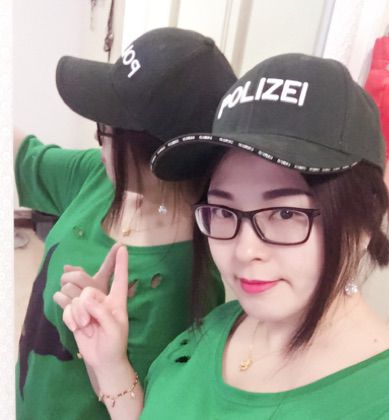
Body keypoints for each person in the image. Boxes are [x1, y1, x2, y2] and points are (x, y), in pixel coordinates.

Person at [62, 54, 389, 419]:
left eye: (285, 213)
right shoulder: (221, 324)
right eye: (223, 210)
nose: (244, 251)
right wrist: (110, 364)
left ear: (365, 220)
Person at [14, 27, 236, 419]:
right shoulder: (99, 177)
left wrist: (101, 350)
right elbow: (24, 157)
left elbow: (151, 409)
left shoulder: (185, 282)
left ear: (150, 152)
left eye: (106, 130)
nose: (98, 141)